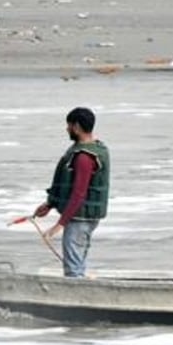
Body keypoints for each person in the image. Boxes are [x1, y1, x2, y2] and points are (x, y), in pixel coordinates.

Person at [31, 107, 110, 278]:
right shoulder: (90, 148)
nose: (67, 129)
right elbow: (71, 186)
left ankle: (79, 301)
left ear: (77, 126)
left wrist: (58, 225)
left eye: (69, 125)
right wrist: (50, 204)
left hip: (79, 220)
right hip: (83, 218)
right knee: (77, 264)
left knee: (73, 269)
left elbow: (79, 193)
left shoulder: (84, 157)